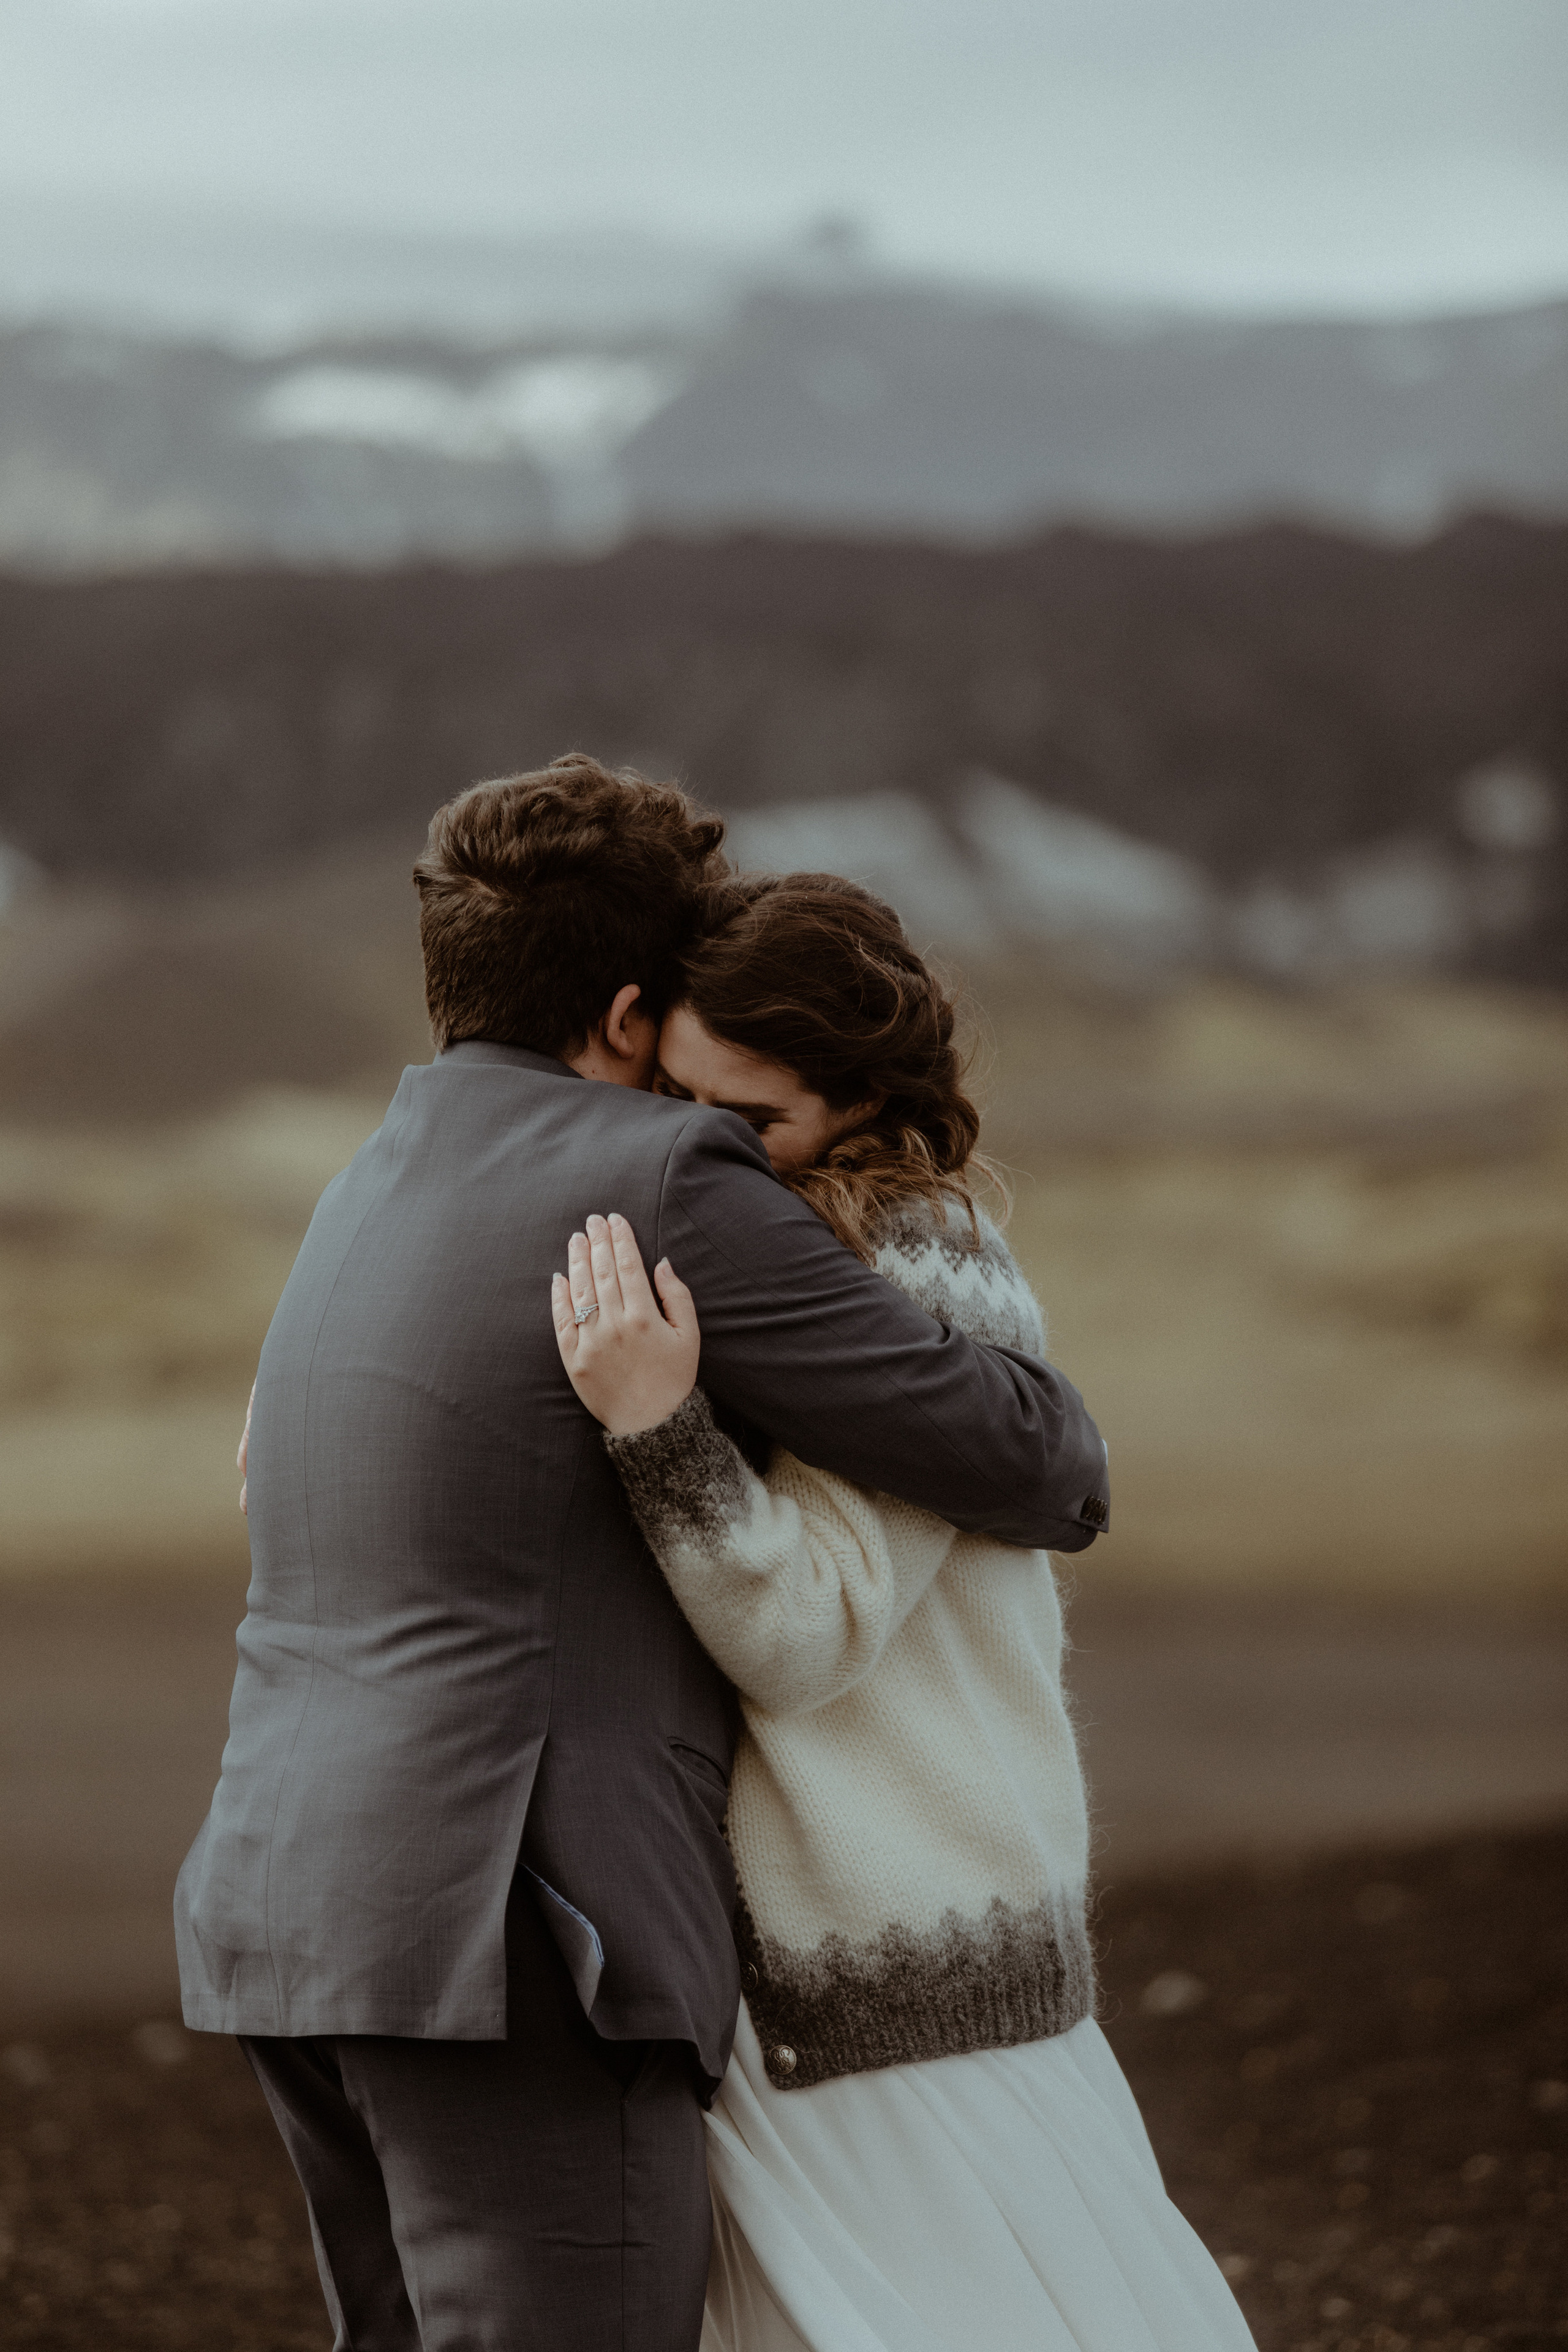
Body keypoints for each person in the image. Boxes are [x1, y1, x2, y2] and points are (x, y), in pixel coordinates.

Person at [176, 756, 1110, 2352]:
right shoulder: (659, 1179)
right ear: (626, 1015)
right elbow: (1037, 1465)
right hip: (515, 1943)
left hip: (292, 1911)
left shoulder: (367, 1193)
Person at [554, 872, 1256, 2352]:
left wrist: (655, 1430)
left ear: (863, 1104)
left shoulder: (910, 1263)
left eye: (747, 1123)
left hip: (890, 1969)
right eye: (673, 1098)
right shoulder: (798, 1246)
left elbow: (801, 1633)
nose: (694, 1148)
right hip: (849, 1954)